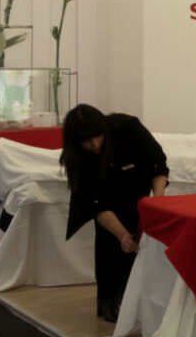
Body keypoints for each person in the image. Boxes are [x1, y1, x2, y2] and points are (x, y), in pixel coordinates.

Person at [61, 104, 169, 322]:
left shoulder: (128, 128)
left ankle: (137, 300)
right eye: (86, 141)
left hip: (138, 192)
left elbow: (158, 164)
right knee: (110, 244)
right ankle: (110, 300)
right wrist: (122, 235)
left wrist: (156, 203)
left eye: (97, 137)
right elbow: (95, 205)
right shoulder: (79, 160)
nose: (94, 144)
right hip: (106, 199)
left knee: (139, 243)